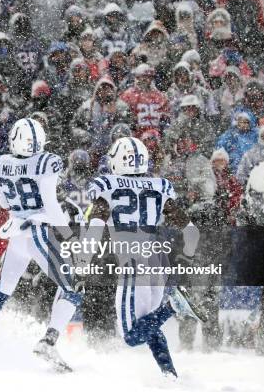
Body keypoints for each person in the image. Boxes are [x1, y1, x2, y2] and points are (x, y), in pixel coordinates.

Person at [84, 136, 207, 377]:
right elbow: (192, 232)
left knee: (131, 336)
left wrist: (84, 257)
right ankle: (169, 373)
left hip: (132, 258)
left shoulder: (105, 184)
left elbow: (96, 224)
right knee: (148, 324)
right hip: (157, 259)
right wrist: (187, 260)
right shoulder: (160, 186)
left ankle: (173, 306)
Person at [0, 117, 83, 372]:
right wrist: (66, 228)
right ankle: (49, 340)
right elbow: (50, 205)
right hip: (38, 232)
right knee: (73, 287)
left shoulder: (1, 163)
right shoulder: (46, 162)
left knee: (2, 292)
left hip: (17, 233)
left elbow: (2, 200)